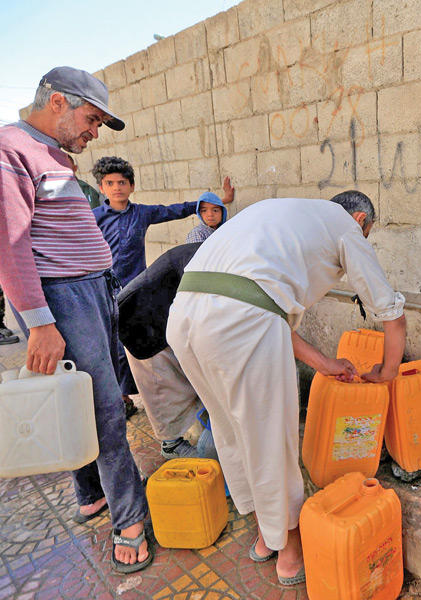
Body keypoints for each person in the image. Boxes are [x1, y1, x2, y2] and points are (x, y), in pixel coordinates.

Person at [167, 191, 406, 585]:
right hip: (237, 320)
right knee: (271, 441)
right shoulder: (346, 227)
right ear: (360, 218)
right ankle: (290, 553)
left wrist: (327, 364)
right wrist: (387, 370)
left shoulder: (284, 214)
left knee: (232, 430)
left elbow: (265, 310)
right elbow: (391, 315)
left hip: (185, 316)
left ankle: (266, 535)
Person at [0, 66, 152, 573]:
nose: (93, 131)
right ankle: (129, 520)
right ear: (58, 102)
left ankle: (90, 492)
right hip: (64, 300)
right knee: (107, 409)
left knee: (81, 400)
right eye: (91, 119)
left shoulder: (55, 155)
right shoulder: (10, 150)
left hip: (93, 291)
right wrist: (40, 322)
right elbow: (12, 245)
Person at [91, 156, 234, 417]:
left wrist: (217, 202)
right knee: (112, 345)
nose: (116, 188)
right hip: (104, 291)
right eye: (109, 183)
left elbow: (175, 209)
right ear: (101, 188)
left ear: (131, 186)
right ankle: (121, 398)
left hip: (137, 290)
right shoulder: (94, 218)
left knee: (144, 344)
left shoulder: (142, 213)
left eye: (122, 182)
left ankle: (157, 397)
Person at [118, 243, 205, 459]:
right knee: (162, 388)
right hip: (139, 320)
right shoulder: (204, 262)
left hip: (157, 314)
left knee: (185, 381)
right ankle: (171, 445)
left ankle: (196, 428)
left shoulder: (210, 254)